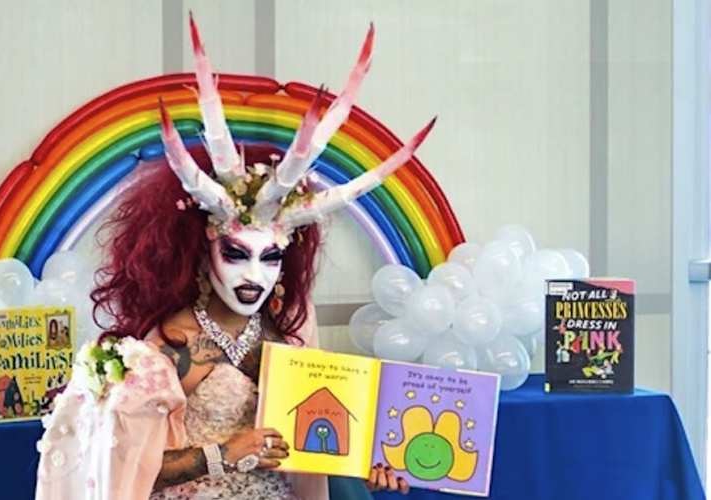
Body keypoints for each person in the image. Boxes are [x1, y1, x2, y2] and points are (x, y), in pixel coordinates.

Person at [36, 13, 434, 500]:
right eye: (236, 253)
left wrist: (369, 463)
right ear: (203, 253)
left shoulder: (290, 332)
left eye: (270, 258)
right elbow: (123, 464)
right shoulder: (168, 345)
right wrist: (224, 452)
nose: (253, 275)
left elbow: (317, 445)